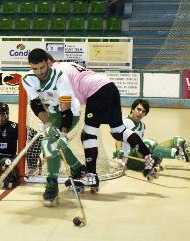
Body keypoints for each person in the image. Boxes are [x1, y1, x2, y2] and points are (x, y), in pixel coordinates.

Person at [45, 49, 159, 186]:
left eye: (43, 68)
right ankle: (148, 156)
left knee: (88, 134)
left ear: (49, 62)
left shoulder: (57, 72)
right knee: (119, 130)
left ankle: (91, 176)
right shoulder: (67, 65)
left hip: (96, 92)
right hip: (110, 87)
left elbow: (70, 103)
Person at [22, 48, 87, 206]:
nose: (39, 72)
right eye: (35, 68)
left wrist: (63, 134)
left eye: (42, 67)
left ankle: (52, 184)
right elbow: (36, 104)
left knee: (50, 143)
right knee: (54, 141)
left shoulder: (60, 78)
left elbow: (66, 109)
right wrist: (48, 124)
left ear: (48, 63)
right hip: (51, 113)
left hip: (70, 111)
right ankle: (78, 168)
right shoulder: (28, 79)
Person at [113, 99, 188, 171]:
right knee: (148, 144)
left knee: (177, 141)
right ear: (132, 109)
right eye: (138, 109)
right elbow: (118, 140)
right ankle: (177, 154)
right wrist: (119, 149)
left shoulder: (142, 125)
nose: (140, 113)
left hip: (141, 158)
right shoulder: (124, 122)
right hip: (130, 160)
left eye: (143, 111)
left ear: (145, 114)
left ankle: (186, 152)